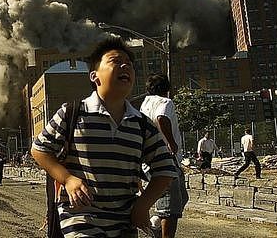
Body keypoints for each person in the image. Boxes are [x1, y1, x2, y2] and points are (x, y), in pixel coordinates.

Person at [32, 37, 177, 237]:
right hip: (81, 217)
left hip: (124, 223)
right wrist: (67, 179)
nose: (125, 65)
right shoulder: (72, 113)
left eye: (129, 64)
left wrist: (143, 205)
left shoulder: (142, 125)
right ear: (94, 76)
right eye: (115, 61)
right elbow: (39, 149)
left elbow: (165, 169)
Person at [140, 73, 189, 238]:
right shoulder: (165, 102)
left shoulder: (145, 104)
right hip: (164, 159)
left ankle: (154, 224)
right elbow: (161, 117)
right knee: (171, 208)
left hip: (152, 158)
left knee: (181, 197)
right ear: (166, 90)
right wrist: (171, 142)